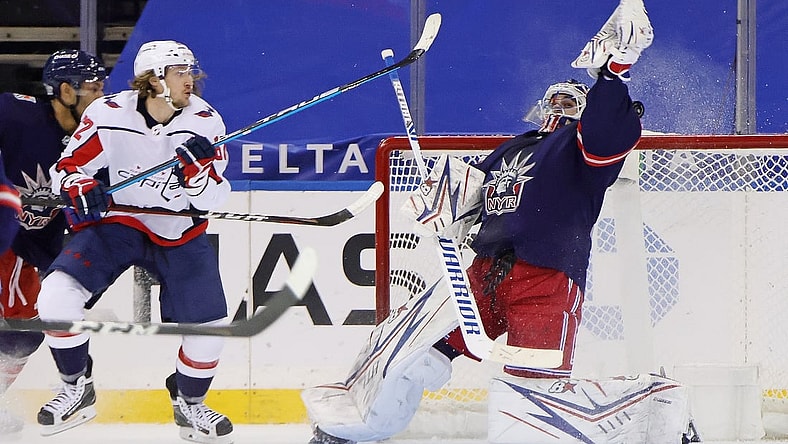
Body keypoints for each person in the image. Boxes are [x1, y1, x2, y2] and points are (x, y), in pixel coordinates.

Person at [302, 2, 698, 443]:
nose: (561, 105)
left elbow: (609, 132)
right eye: (556, 99)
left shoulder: (580, 147)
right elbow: (467, 199)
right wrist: (441, 203)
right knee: (407, 351)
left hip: (546, 279)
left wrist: (614, 73)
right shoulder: (512, 148)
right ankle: (351, 432)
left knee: (534, 404)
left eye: (573, 101)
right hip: (483, 275)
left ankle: (659, 409)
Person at [34, 40, 234, 444]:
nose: (190, 80)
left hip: (179, 231)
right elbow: (68, 168)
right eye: (180, 72)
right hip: (119, 222)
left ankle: (189, 404)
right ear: (154, 79)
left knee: (211, 329)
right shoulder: (108, 114)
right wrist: (78, 185)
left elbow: (214, 199)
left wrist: (197, 177)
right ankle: (77, 387)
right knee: (55, 296)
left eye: (190, 72)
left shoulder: (206, 122)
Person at [0, 49, 106, 434]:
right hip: (3, 236)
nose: (101, 97)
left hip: (32, 248)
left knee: (22, 338)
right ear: (65, 91)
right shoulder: (16, 114)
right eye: (93, 89)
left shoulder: (100, 136)